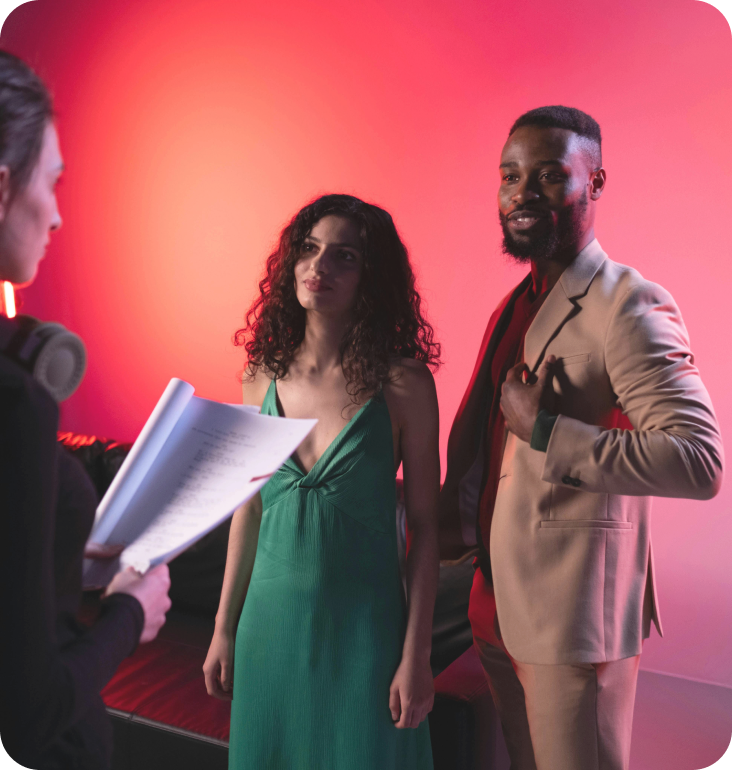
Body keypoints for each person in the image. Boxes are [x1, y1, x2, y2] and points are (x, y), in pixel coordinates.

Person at [438, 106, 724, 770]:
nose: (521, 194)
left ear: (595, 182)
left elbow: (697, 460)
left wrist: (544, 430)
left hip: (571, 618)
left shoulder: (627, 303)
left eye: (547, 176)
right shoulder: (520, 300)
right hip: (498, 604)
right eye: (509, 177)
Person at [203, 194, 440, 769]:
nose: (319, 267)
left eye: (345, 257)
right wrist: (223, 629)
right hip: (268, 627)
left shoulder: (404, 384)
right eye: (309, 250)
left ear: (371, 277)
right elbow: (249, 511)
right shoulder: (258, 376)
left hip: (365, 635)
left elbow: (429, 531)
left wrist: (417, 653)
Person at [0, 50, 172, 769]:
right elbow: (26, 711)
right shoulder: (15, 405)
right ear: (3, 188)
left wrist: (61, 553)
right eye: (55, 180)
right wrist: (134, 612)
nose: (60, 213)